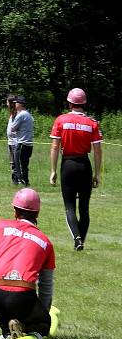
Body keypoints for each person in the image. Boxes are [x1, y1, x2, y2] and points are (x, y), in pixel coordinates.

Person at [0, 188, 54, 339]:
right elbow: (46, 284)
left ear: (15, 211)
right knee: (44, 323)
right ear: (37, 214)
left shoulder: (1, 226)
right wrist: (43, 312)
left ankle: (6, 332)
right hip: (21, 298)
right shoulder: (46, 242)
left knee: (0, 296)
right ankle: (25, 328)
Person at [49, 88, 103, 251]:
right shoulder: (92, 122)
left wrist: (53, 170)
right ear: (84, 103)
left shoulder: (61, 120)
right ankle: (82, 240)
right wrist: (97, 173)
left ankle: (77, 239)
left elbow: (55, 146)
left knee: (69, 206)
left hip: (68, 164)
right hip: (84, 165)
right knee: (84, 208)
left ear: (69, 103)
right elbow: (98, 150)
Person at [10, 95, 34, 186]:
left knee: (18, 163)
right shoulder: (28, 114)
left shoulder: (21, 115)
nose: (15, 104)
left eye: (16, 103)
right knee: (24, 164)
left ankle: (21, 181)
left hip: (21, 143)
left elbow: (12, 128)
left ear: (19, 104)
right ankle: (26, 182)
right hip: (29, 144)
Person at [6, 94, 18, 184]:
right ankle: (14, 180)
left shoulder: (17, 113)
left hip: (15, 142)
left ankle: (17, 181)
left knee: (15, 163)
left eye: (7, 102)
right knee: (12, 162)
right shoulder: (11, 113)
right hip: (10, 142)